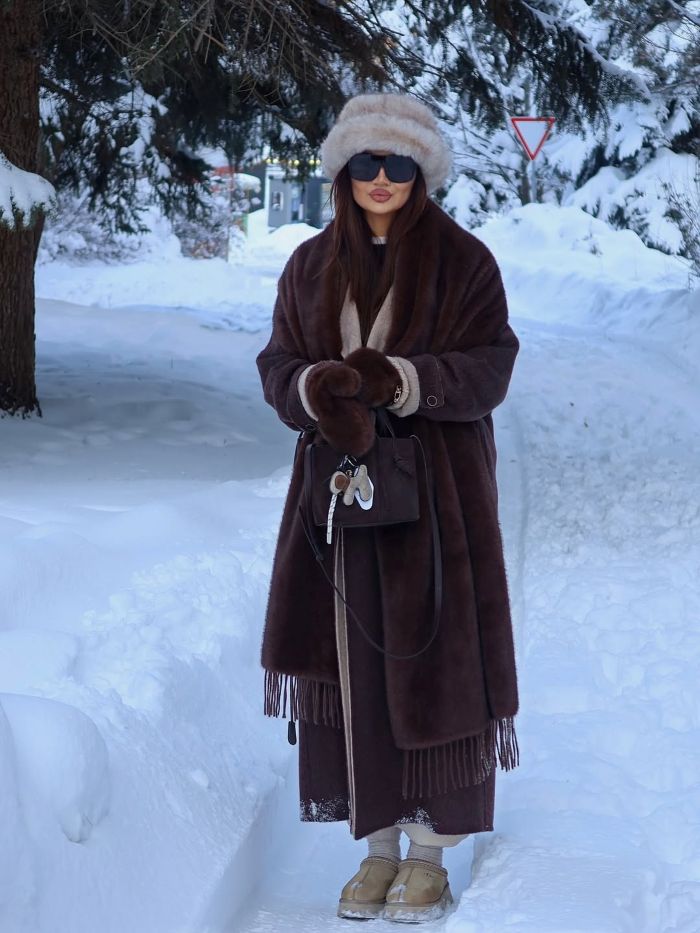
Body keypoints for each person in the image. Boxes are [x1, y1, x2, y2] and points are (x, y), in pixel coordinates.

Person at [256, 91, 521, 923]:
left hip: (440, 498)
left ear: (422, 172)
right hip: (337, 499)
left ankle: (430, 854)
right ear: (342, 170)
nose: (381, 177)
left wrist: (403, 381)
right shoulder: (308, 265)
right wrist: (315, 388)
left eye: (399, 162)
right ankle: (376, 845)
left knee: (434, 657)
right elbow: (276, 365)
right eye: (366, 161)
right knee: (349, 662)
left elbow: (491, 366)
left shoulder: (465, 262)